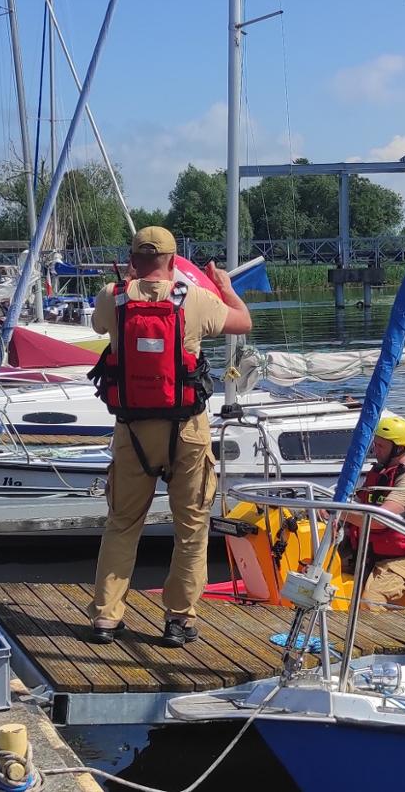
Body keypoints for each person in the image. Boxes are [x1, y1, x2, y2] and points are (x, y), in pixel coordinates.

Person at [82, 226, 251, 647]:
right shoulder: (193, 298)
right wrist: (225, 287)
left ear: (133, 258)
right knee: (191, 528)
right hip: (186, 430)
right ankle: (179, 620)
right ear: (174, 261)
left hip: (133, 431)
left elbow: (100, 326)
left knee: (122, 524)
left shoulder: (112, 296)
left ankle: (105, 618)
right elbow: (243, 322)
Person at [342, 415, 405, 607]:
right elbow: (359, 503)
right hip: (371, 552)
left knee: (371, 600)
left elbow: (381, 520)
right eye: (375, 444)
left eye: (381, 446)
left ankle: (373, 636)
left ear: (398, 449)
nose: (375, 450)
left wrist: (338, 512)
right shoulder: (381, 472)